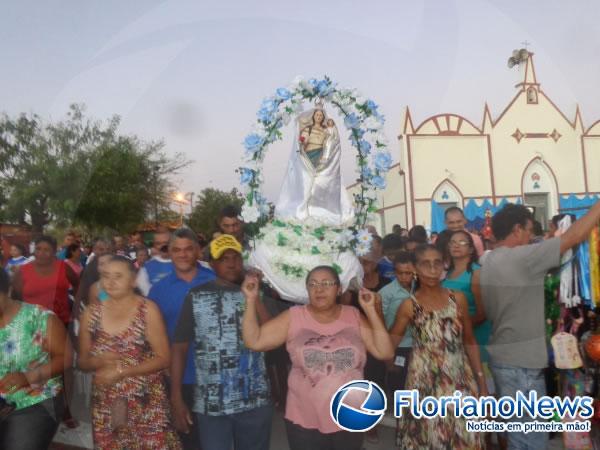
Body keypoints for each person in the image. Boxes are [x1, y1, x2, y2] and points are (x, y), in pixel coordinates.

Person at [480, 201, 600, 449]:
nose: (530, 236)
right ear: (516, 230)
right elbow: (574, 236)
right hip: (521, 365)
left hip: (505, 358)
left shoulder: (490, 259)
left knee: (519, 434)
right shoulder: (523, 258)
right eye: (528, 230)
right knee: (530, 439)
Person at [242, 265, 394, 450]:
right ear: (306, 290)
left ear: (339, 289)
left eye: (327, 283)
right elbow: (254, 341)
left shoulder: (353, 315)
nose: (319, 289)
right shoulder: (294, 317)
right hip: (304, 416)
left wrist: (370, 310)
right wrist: (250, 299)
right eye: (312, 284)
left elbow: (385, 352)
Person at [171, 235, 272, 450]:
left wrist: (254, 297)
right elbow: (179, 347)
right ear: (212, 263)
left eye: (235, 257)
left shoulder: (254, 292)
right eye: (223, 258)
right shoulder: (196, 295)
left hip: (254, 398)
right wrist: (176, 397)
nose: (231, 262)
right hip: (211, 402)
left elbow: (271, 336)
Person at [78, 255, 181, 449]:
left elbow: (164, 358)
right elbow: (82, 362)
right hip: (107, 404)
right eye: (106, 276)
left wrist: (122, 372)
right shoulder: (91, 313)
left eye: (118, 276)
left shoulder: (147, 310)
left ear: (133, 280)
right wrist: (97, 361)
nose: (110, 281)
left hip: (147, 402)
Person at [389, 244, 486, 449]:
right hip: (423, 382)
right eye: (425, 264)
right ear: (416, 268)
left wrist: (481, 383)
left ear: (444, 265)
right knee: (428, 437)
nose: (432, 270)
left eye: (437, 263)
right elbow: (389, 345)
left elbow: (469, 340)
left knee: (465, 436)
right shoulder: (409, 306)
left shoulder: (456, 299)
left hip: (459, 379)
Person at [148, 228, 215, 450]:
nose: (183, 254)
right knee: (187, 439)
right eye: (177, 250)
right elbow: (151, 337)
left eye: (188, 249)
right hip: (180, 377)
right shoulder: (158, 291)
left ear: (197, 251)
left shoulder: (216, 281)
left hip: (216, 377)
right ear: (170, 253)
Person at [0, 269, 71, 449]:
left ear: (8, 290)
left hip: (35, 399)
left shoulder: (38, 318)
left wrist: (28, 377)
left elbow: (65, 358)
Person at [275, 107, 354, 226]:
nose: (319, 117)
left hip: (321, 157)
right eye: (317, 115)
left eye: (321, 115)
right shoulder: (308, 128)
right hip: (309, 155)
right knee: (306, 182)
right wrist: (302, 140)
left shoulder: (325, 129)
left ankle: (319, 211)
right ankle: (302, 211)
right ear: (313, 116)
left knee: (319, 183)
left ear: (323, 117)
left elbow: (331, 140)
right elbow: (304, 138)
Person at [12, 235, 79, 326]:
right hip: (31, 324)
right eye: (38, 249)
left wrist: (76, 307)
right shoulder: (22, 271)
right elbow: (15, 299)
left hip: (61, 322)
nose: (41, 253)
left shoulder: (64, 267)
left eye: (46, 250)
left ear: (54, 252)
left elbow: (78, 285)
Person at [379, 252, 415, 394]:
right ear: (394, 272)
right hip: (397, 345)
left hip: (417, 344)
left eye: (409, 273)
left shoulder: (418, 289)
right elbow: (380, 322)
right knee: (398, 380)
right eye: (400, 273)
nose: (405, 277)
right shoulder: (386, 293)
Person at [137, 230, 173, 296]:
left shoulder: (183, 263)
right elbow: (146, 292)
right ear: (154, 245)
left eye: (166, 243)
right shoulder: (146, 267)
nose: (163, 246)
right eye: (158, 243)